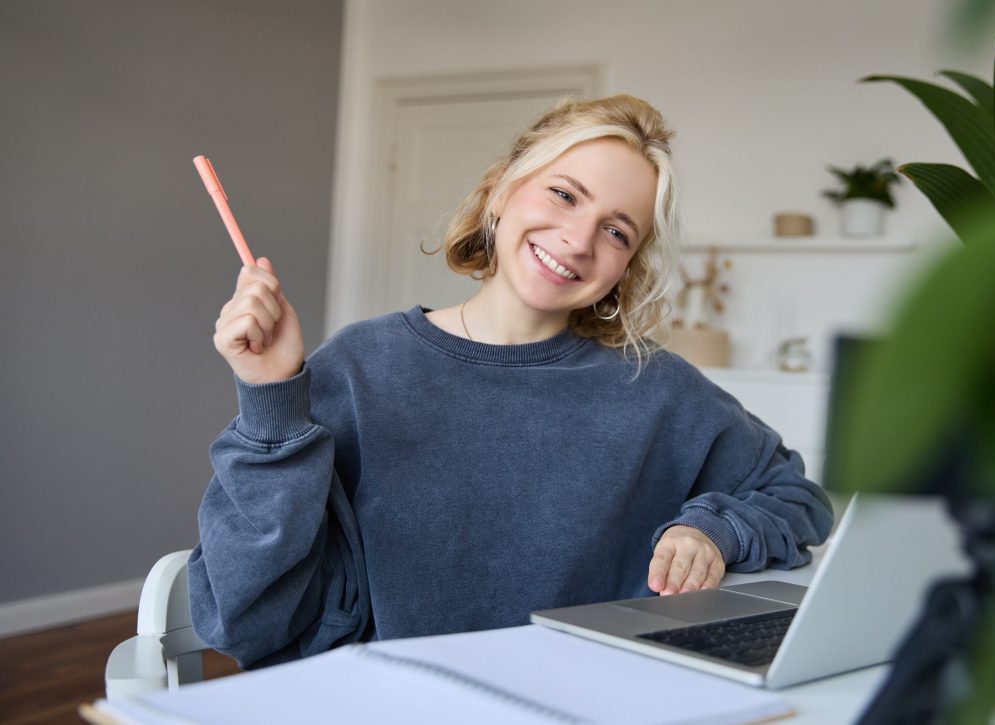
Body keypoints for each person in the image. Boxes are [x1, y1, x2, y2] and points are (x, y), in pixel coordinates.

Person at [189, 94, 834, 669]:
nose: (578, 240)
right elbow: (244, 618)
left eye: (616, 231)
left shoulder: (659, 389)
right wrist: (270, 395)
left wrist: (713, 530)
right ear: (499, 191)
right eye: (564, 195)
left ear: (627, 266)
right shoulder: (361, 366)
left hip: (592, 701)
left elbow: (796, 497)